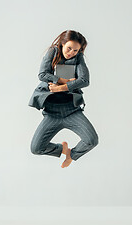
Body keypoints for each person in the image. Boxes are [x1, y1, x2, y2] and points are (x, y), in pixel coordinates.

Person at [28, 30, 99, 168]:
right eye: (69, 48)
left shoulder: (78, 58)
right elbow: (42, 74)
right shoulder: (52, 52)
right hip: (51, 113)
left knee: (92, 140)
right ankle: (63, 150)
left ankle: (71, 155)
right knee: (36, 148)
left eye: (75, 50)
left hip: (72, 111)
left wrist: (61, 87)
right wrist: (63, 80)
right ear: (62, 44)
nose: (71, 52)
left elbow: (84, 80)